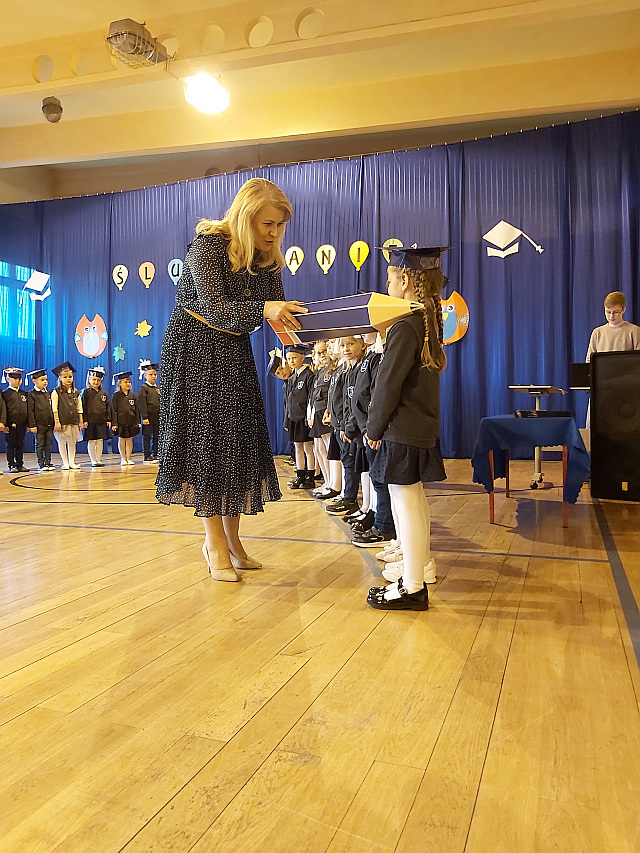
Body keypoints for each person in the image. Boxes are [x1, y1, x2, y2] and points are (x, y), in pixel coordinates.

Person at [155, 177, 306, 583]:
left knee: (237, 443)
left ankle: (234, 540)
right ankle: (214, 542)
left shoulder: (268, 259)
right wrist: (266, 309)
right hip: (195, 350)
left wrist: (307, 327)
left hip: (233, 348)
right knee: (208, 444)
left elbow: (275, 311)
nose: (274, 233)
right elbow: (216, 308)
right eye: (267, 224)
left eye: (279, 226)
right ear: (244, 217)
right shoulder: (208, 246)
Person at [365, 246, 448, 611]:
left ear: (404, 280)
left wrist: (374, 427)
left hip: (402, 428)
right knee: (414, 501)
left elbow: (388, 384)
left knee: (406, 503)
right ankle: (420, 568)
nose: (386, 286)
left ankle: (412, 587)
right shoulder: (426, 321)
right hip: (419, 426)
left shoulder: (405, 324)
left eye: (389, 279)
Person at [284, 344, 316, 490]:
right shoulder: (292, 378)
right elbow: (288, 401)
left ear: (302, 357)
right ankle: (300, 475)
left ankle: (310, 476)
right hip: (294, 418)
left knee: (308, 448)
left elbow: (311, 398)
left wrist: (309, 417)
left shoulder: (309, 375)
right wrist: (287, 420)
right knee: (297, 447)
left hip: (304, 418)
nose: (291, 361)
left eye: (294, 358)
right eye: (289, 359)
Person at [308, 340, 334, 498]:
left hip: (325, 411)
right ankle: (327, 481)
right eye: (319, 353)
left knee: (328, 449)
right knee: (319, 449)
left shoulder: (332, 370)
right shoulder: (319, 372)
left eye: (324, 351)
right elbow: (313, 396)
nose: (322, 355)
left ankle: (333, 483)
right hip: (317, 411)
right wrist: (311, 414)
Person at [586, 291, 640, 362]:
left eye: (616, 312)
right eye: (608, 312)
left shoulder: (635, 331)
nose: (611, 316)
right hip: (603, 369)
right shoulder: (597, 333)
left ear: (623, 310)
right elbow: (589, 361)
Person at [51, 361, 83, 470]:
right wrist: (57, 421)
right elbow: (54, 407)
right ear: (60, 378)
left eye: (70, 377)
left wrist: (81, 421)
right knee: (62, 442)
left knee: (72, 442)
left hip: (73, 421)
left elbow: (79, 407)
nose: (68, 379)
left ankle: (72, 462)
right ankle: (65, 462)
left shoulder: (76, 392)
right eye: (65, 377)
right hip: (62, 421)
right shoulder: (56, 392)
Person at [81, 366, 111, 467]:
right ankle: (93, 460)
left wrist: (108, 419)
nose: (96, 382)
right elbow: (83, 407)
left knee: (100, 440)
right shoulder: (86, 392)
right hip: (90, 421)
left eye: (98, 380)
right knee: (92, 440)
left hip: (101, 420)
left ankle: (98, 459)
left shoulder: (104, 393)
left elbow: (108, 407)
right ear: (89, 380)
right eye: (93, 379)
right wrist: (84, 420)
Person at [27, 369, 55, 470]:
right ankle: (41, 463)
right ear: (34, 381)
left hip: (49, 424)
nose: (45, 382)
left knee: (48, 444)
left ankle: (48, 462)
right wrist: (32, 425)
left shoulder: (49, 393)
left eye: (46, 379)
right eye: (42, 380)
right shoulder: (31, 394)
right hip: (39, 425)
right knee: (40, 444)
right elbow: (30, 411)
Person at [2, 367, 29, 472]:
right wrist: (4, 424)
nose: (17, 381)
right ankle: (11, 465)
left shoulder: (24, 394)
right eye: (15, 379)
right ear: (8, 379)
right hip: (10, 424)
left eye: (19, 379)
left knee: (20, 444)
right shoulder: (5, 394)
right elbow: (4, 410)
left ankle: (19, 464)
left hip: (21, 423)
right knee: (11, 444)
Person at [111, 371, 140, 465]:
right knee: (122, 439)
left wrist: (137, 421)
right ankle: (123, 458)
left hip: (130, 421)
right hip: (121, 421)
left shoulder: (133, 396)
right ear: (120, 383)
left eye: (129, 382)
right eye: (125, 382)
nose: (128, 384)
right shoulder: (116, 396)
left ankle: (129, 457)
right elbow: (113, 410)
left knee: (129, 439)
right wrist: (114, 423)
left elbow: (137, 410)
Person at [138, 360, 161, 463]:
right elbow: (142, 403)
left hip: (157, 416)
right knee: (147, 436)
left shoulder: (157, 388)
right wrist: (145, 417)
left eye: (155, 374)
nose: (153, 376)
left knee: (157, 436)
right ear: (145, 376)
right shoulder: (144, 388)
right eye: (151, 374)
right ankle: (147, 455)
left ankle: (156, 453)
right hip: (149, 416)